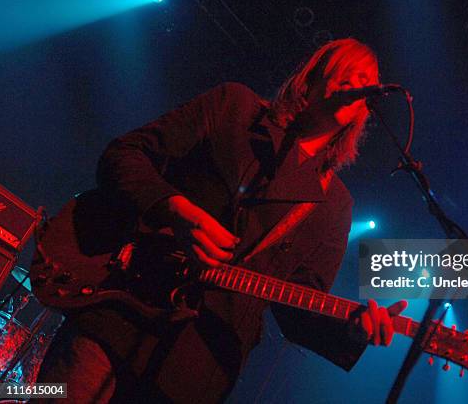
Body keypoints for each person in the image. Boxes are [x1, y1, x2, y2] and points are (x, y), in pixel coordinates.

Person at [34, 38, 407, 403]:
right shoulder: (235, 108)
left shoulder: (335, 205)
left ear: (365, 110)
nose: (360, 84)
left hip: (195, 373)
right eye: (349, 70)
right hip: (116, 317)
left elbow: (298, 313)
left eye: (368, 80)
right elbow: (123, 157)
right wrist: (174, 208)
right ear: (315, 75)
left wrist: (353, 328)